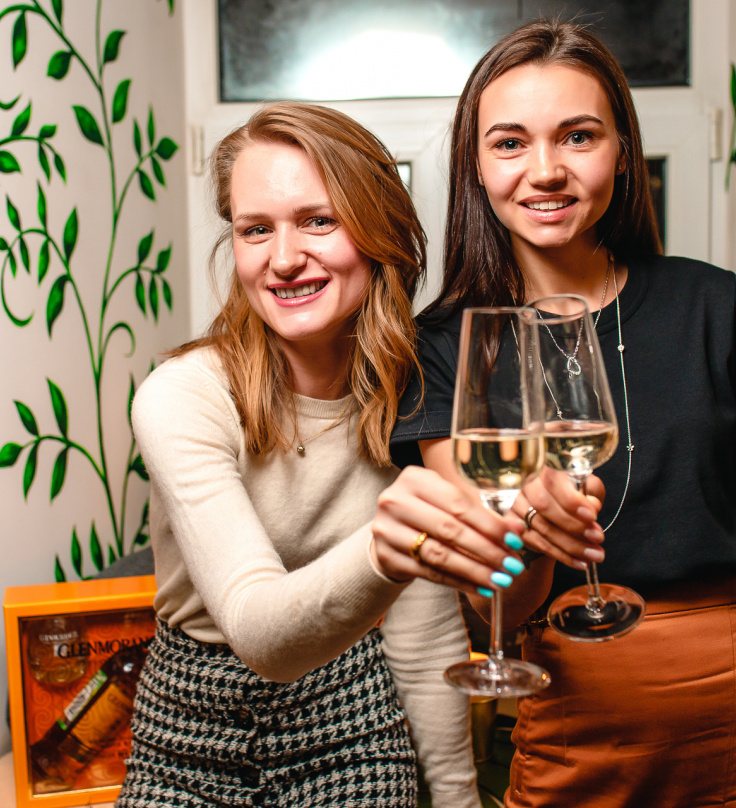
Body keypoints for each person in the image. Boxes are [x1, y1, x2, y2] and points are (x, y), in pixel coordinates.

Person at [391, 20, 736, 808]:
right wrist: (535, 534)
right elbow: (494, 604)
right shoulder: (443, 347)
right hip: (578, 706)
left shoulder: (710, 302)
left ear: (623, 151)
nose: (546, 170)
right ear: (476, 165)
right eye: (510, 143)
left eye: (578, 136)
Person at [116, 102, 526, 808]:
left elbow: (422, 634)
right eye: (256, 229)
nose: (283, 259)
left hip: (350, 716)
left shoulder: (414, 394)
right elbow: (258, 631)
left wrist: (457, 799)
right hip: (185, 722)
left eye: (318, 221)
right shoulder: (182, 395)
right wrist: (387, 548)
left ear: (377, 231)